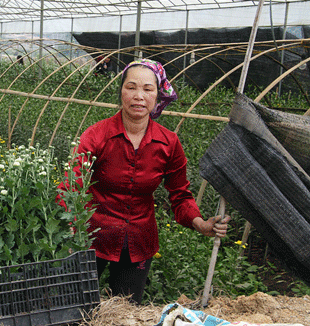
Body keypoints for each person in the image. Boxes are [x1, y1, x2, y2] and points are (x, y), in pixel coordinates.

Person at [63, 59, 230, 304]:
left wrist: (200, 224)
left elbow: (180, 194)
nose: (138, 96)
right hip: (90, 237)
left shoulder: (168, 143)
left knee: (126, 312)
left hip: (138, 241)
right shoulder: (97, 135)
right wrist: (68, 226)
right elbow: (72, 184)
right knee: (75, 309)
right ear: (121, 91)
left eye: (148, 89)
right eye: (131, 87)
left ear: (158, 94)